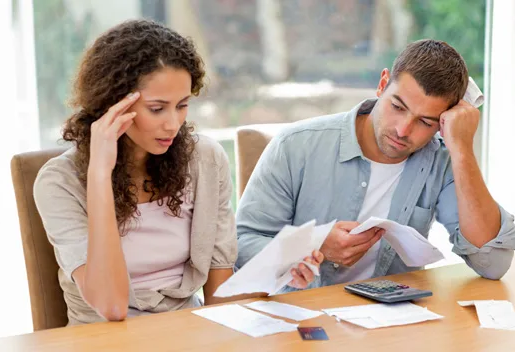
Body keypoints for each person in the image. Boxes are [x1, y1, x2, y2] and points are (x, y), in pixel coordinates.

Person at [34, 19, 322, 325]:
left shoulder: (205, 160)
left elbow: (219, 297)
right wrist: (99, 175)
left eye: (182, 105)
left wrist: (277, 273)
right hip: (100, 339)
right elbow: (112, 307)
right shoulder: (59, 182)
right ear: (113, 104)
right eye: (157, 109)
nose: (173, 124)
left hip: (186, 333)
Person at [236, 39, 515, 290]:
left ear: (443, 123)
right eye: (397, 107)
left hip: (390, 326)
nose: (403, 130)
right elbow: (240, 245)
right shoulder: (295, 145)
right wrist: (312, 243)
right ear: (383, 84)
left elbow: (492, 264)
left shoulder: (440, 162)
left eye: (425, 121)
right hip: (301, 326)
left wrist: (463, 150)